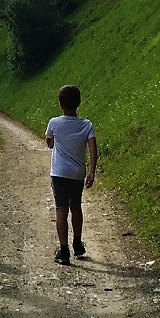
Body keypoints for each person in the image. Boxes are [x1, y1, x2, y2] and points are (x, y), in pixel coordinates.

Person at [45, 85, 98, 265]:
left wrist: (53, 141)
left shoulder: (54, 123)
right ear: (79, 103)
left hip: (59, 173)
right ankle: (77, 243)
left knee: (61, 209)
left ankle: (64, 250)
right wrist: (91, 171)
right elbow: (93, 148)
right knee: (76, 206)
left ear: (60, 104)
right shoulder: (86, 124)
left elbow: (49, 142)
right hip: (77, 173)